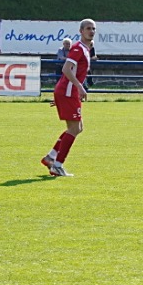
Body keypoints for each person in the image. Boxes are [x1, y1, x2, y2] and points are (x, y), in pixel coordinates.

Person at [40, 19, 94, 177]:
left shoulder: (85, 49)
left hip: (68, 93)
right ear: (81, 31)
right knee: (74, 128)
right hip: (68, 92)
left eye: (93, 29)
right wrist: (79, 87)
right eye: (88, 28)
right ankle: (57, 165)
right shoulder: (78, 48)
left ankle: (51, 157)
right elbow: (66, 69)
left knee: (78, 127)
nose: (91, 31)